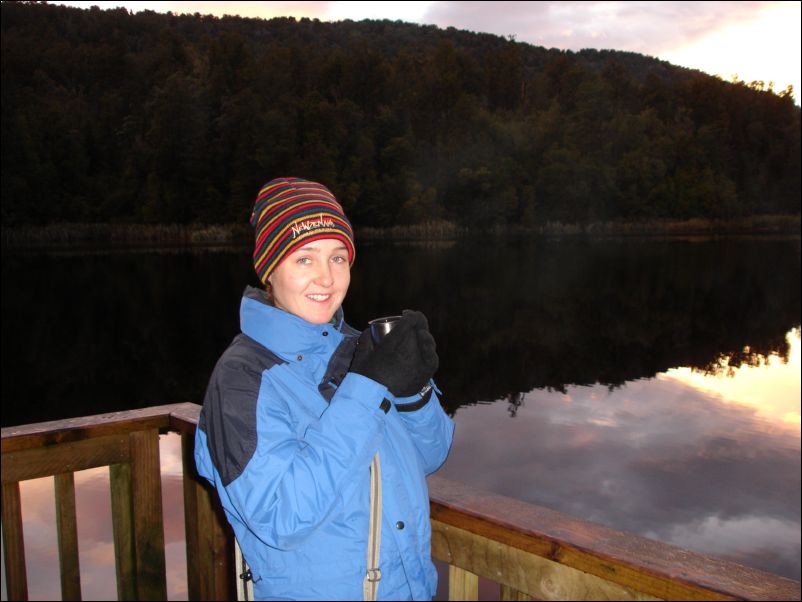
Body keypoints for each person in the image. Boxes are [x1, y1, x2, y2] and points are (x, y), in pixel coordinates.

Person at [194, 177, 455, 601]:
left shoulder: (359, 350)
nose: (327, 278)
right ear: (269, 270)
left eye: (338, 258)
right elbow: (281, 516)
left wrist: (413, 391)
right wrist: (368, 387)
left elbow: (431, 455)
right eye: (304, 259)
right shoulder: (241, 381)